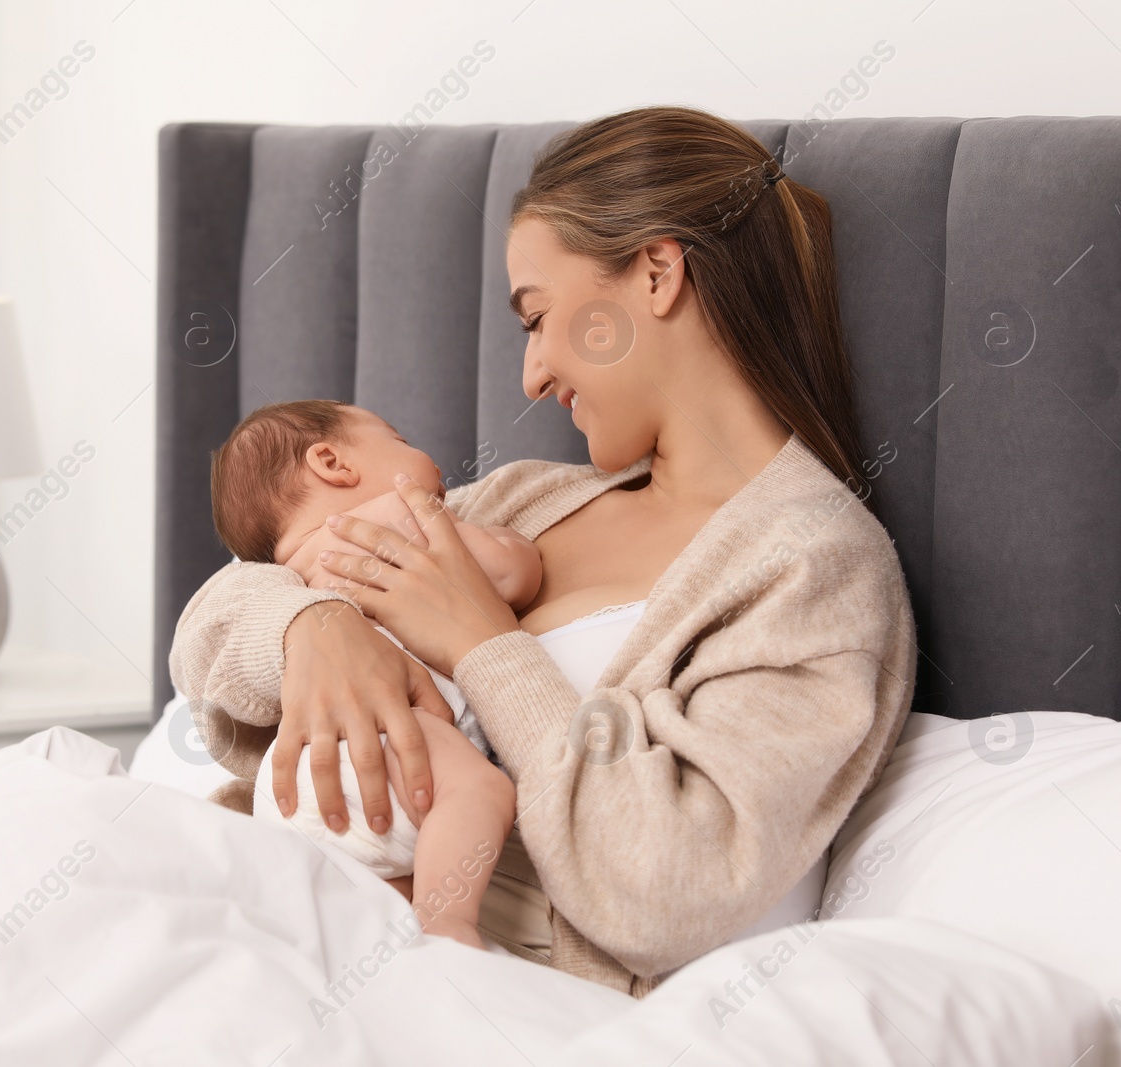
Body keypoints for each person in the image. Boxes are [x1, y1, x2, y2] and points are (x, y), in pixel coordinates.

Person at [171, 104, 917, 995]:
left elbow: (667, 887)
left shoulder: (811, 568)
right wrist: (311, 627)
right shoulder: (523, 499)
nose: (530, 375)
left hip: (491, 986)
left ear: (656, 273)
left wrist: (485, 644)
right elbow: (211, 630)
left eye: (537, 315)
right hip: (285, 905)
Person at [208, 398, 541, 947]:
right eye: (401, 440)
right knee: (481, 789)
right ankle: (448, 926)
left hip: (287, 781)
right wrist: (516, 544)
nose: (421, 456)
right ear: (333, 464)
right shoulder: (393, 518)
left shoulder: (289, 575)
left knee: (362, 922)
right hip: (392, 734)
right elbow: (508, 577)